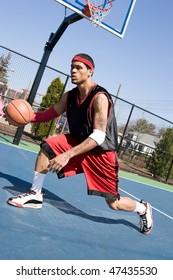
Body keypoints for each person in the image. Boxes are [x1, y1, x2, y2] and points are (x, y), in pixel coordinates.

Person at [6, 53, 153, 234]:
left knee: (113, 203)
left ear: (90, 71)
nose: (73, 71)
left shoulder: (99, 98)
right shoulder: (70, 96)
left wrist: (67, 155)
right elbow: (50, 113)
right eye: (72, 67)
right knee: (47, 147)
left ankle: (143, 208)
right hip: (78, 141)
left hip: (101, 154)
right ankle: (35, 194)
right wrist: (26, 118)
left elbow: (99, 136)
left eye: (78, 68)